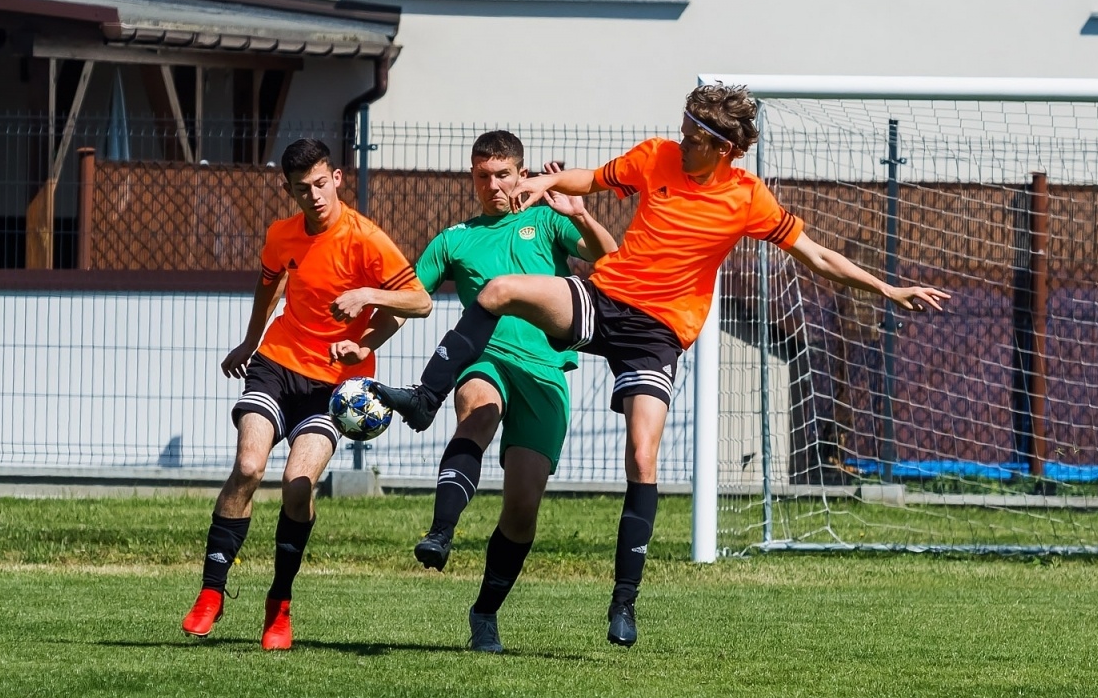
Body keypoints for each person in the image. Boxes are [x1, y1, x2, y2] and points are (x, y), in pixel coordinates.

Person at [372, 84, 949, 647]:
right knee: (497, 290)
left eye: (693, 136)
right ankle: (425, 401)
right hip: (608, 300)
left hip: (660, 334)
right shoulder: (657, 156)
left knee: (642, 455)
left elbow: (817, 254)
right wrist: (546, 179)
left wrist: (888, 288)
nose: (681, 140)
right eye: (682, 128)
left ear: (724, 147)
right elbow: (592, 179)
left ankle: (624, 601)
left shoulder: (749, 198)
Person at [333, 131, 616, 653]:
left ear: (521, 173)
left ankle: (484, 612)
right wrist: (363, 341)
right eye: (482, 175)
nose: (493, 185)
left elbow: (609, 257)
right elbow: (411, 301)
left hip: (545, 374)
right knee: (478, 415)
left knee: (522, 507)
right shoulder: (454, 239)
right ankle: (440, 532)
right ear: (472, 177)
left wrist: (578, 213)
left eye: (503, 174)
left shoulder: (549, 220)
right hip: (482, 358)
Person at [181, 138, 430, 649]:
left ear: (336, 178)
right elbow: (268, 282)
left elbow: (419, 302)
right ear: (289, 190)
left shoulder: (366, 238)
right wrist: (251, 340)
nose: (314, 195)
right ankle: (211, 591)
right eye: (302, 188)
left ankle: (280, 605)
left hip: (334, 385)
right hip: (276, 365)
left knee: (297, 485)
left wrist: (365, 308)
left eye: (321, 183)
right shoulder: (282, 234)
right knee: (249, 467)